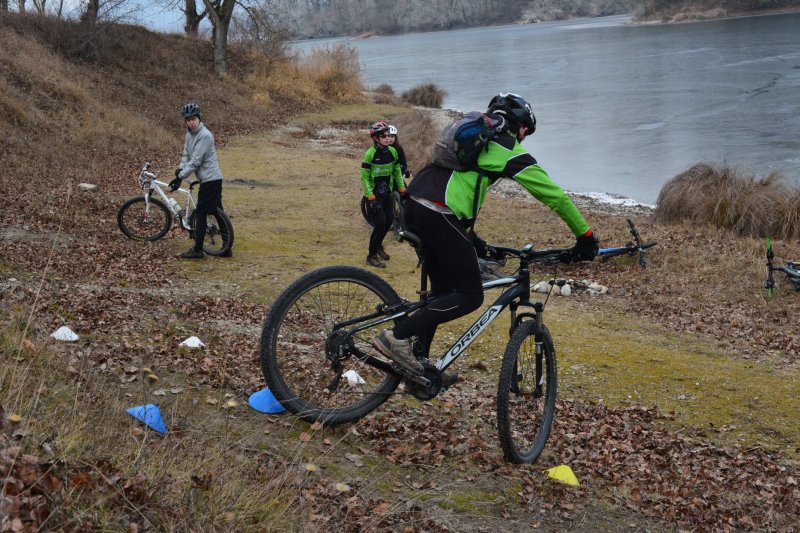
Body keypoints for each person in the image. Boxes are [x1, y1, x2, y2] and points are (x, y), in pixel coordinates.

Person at [371, 92, 598, 384]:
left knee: (442, 292)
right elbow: (554, 195)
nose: (524, 135)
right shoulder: (505, 147)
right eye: (526, 129)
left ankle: (417, 366)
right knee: (470, 294)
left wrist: (473, 239)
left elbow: (455, 183)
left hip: (413, 204)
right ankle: (396, 337)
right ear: (520, 126)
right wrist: (585, 236)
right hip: (439, 213)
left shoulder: (473, 140)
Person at [169, 102, 226, 260]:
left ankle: (198, 250)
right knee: (216, 210)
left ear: (199, 119)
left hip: (211, 179)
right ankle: (226, 247)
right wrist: (180, 170)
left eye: (193, 119)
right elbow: (186, 155)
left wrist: (180, 178)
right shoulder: (189, 134)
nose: (191, 122)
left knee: (201, 213)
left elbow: (195, 161)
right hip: (206, 179)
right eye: (188, 120)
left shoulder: (205, 136)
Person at [360, 121, 407, 268]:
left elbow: (397, 172)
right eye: (384, 136)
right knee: (380, 224)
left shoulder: (392, 152)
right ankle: (371, 256)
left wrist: (402, 189)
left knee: (389, 221)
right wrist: (370, 197)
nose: (388, 138)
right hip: (374, 196)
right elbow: (364, 178)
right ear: (375, 138)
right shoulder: (370, 154)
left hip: (388, 193)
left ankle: (378, 246)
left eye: (389, 135)